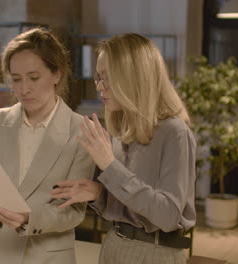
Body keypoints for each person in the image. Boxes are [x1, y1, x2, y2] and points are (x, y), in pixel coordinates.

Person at [51, 33, 196, 264]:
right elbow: (128, 205)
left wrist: (109, 166)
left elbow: (168, 216)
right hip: (114, 244)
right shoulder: (121, 129)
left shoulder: (174, 132)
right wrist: (98, 193)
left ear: (134, 77)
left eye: (106, 78)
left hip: (155, 253)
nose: (99, 86)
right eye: (98, 77)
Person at [0, 28, 95, 264]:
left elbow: (73, 212)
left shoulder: (81, 131)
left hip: (44, 257)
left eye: (34, 77)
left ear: (56, 74)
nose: (23, 89)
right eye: (16, 79)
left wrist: (29, 217)